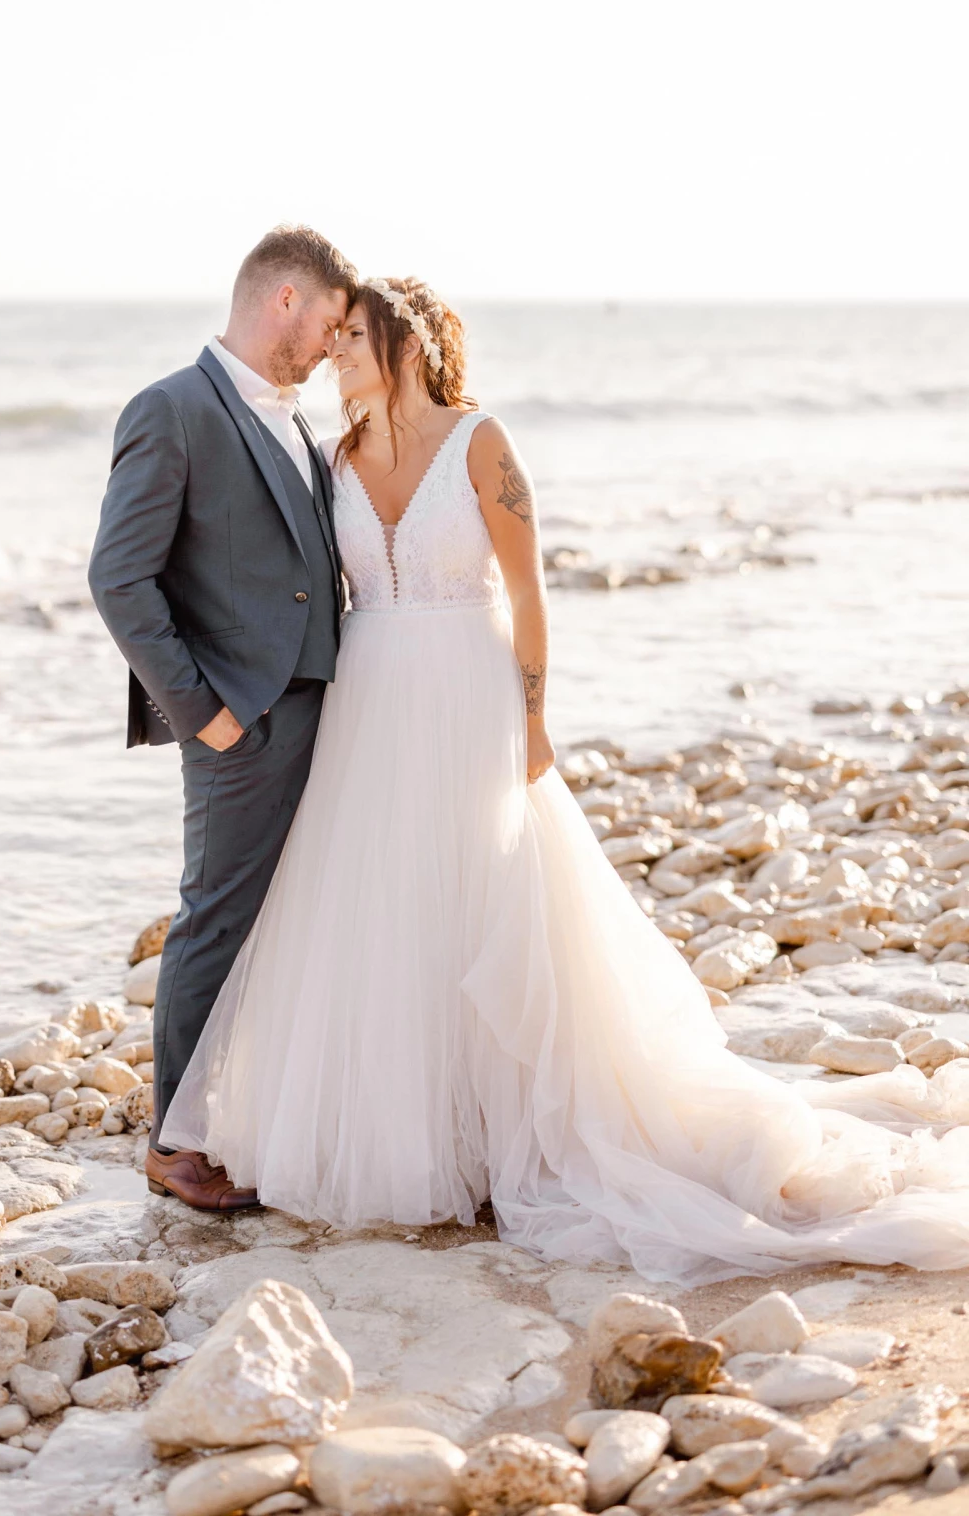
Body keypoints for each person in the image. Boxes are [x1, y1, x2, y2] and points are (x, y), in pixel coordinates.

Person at [161, 276, 969, 1283]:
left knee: (490, 894)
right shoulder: (334, 458)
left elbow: (529, 593)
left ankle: (509, 1131)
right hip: (369, 703)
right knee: (387, 908)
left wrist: (535, 719)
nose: (336, 353)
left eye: (355, 336)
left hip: (470, 693)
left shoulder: (481, 442)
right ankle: (425, 1137)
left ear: (409, 347)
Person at [88, 224, 357, 1207]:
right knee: (216, 920)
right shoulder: (172, 409)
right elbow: (120, 579)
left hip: (322, 707)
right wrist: (201, 713)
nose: (333, 344)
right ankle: (174, 1144)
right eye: (330, 322)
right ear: (286, 298)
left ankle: (248, 1115)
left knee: (292, 919)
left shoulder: (297, 423)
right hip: (241, 721)